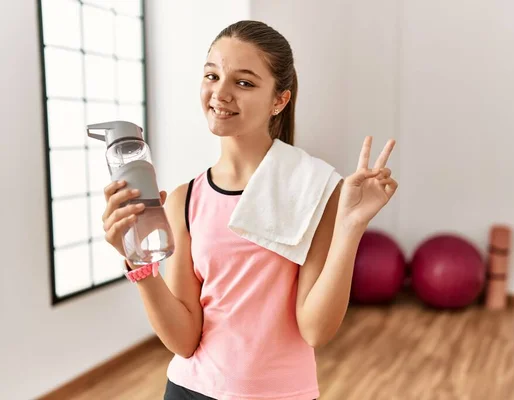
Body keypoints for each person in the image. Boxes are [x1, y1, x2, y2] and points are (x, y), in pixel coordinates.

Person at [102, 20, 397, 400]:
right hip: (190, 390)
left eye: (244, 82)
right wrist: (137, 260)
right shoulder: (184, 199)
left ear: (279, 100)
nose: (220, 93)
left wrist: (351, 225)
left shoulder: (316, 187)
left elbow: (315, 329)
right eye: (212, 75)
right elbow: (184, 340)